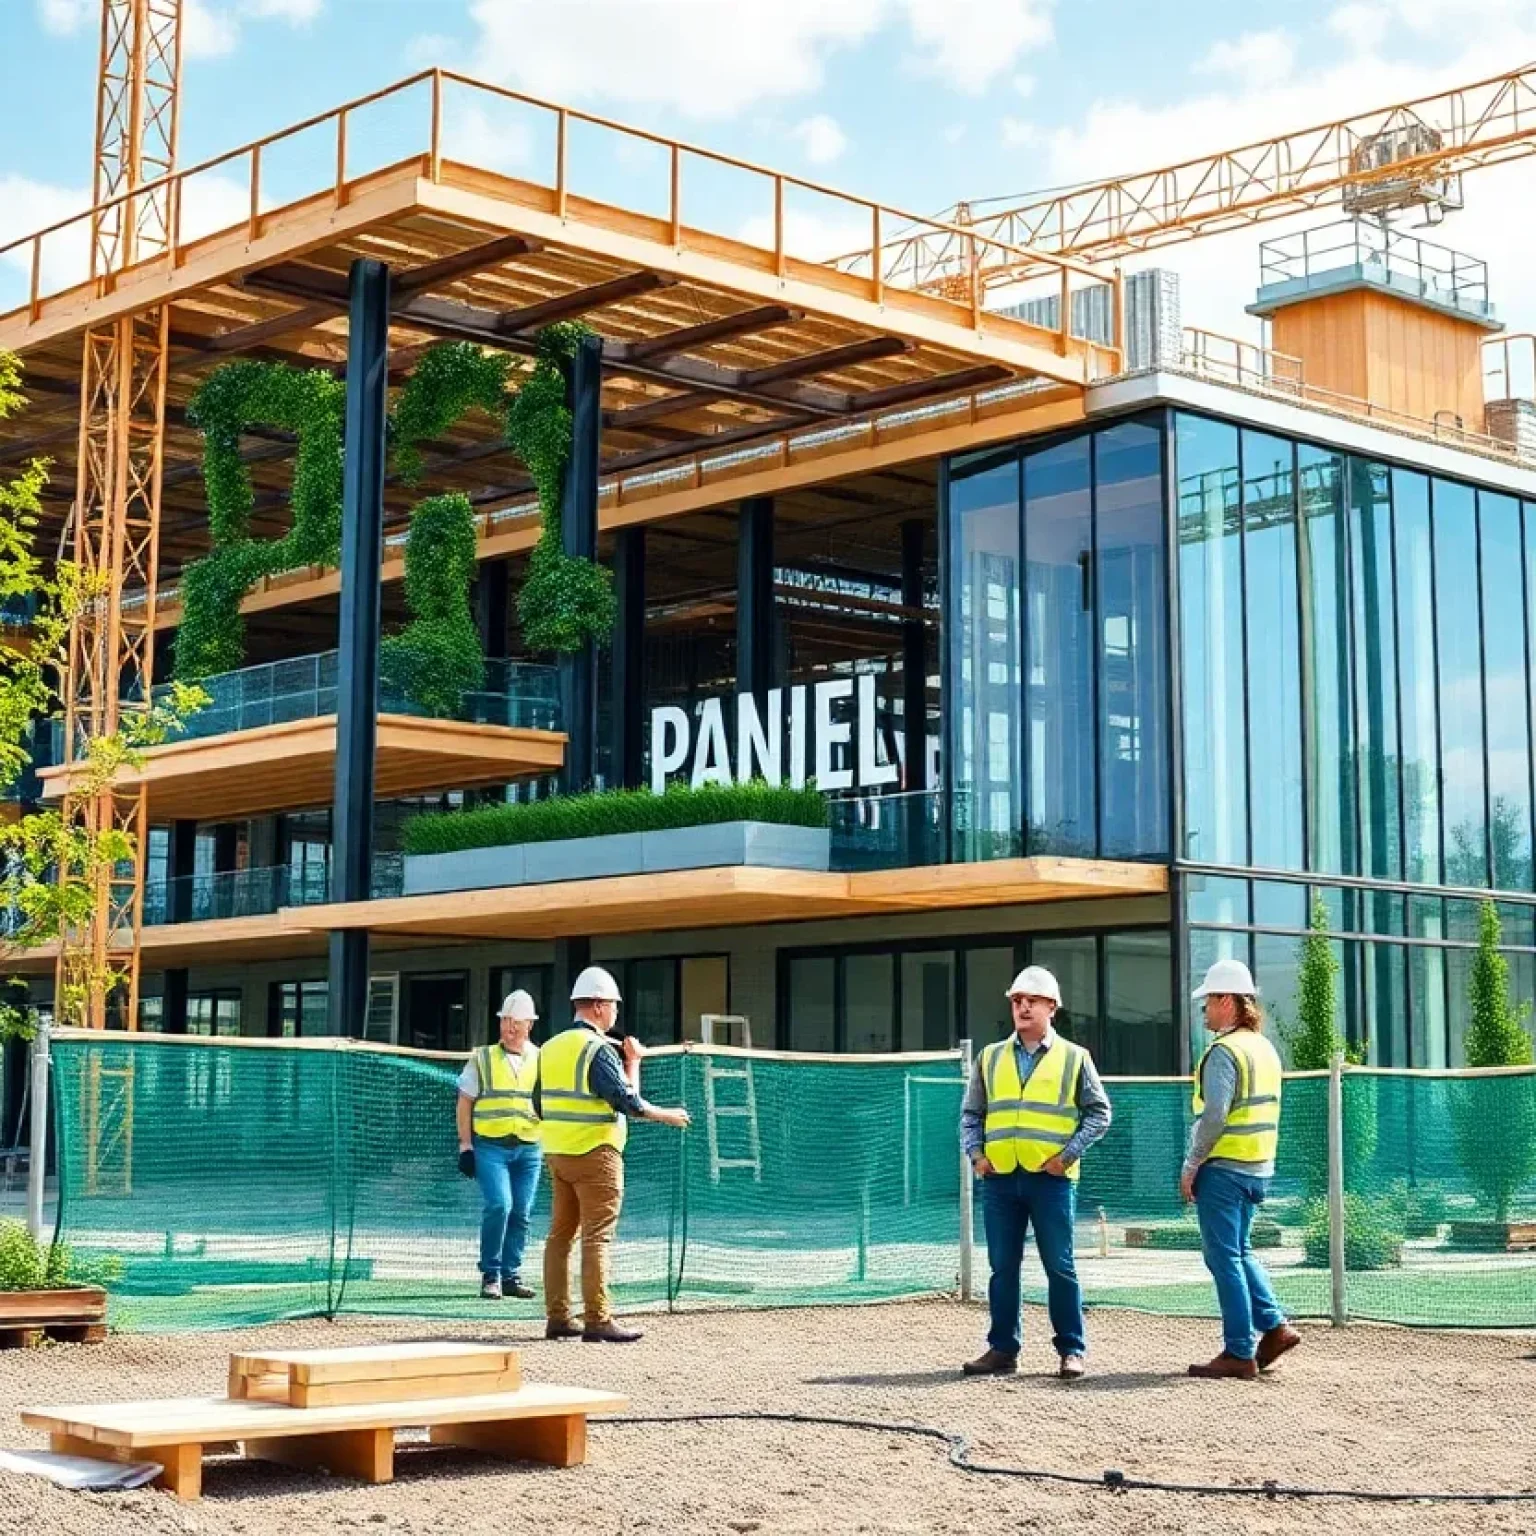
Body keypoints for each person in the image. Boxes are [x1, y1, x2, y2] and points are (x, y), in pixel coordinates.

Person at [959, 965, 1112, 1380]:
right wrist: (977, 1155)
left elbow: (1100, 1114)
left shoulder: (1075, 1058)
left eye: (1031, 1000)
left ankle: (1071, 1350)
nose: (1022, 1007)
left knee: (1059, 1267)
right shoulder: (989, 1058)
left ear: (1051, 1008)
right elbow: (971, 1114)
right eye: (1016, 1001)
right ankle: (1002, 1349)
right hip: (1001, 1179)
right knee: (1002, 1267)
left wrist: (1067, 1156)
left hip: (1052, 1181)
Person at [536, 965, 691, 1343]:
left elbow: (539, 1104)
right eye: (615, 1007)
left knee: (560, 1237)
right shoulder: (597, 1049)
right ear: (601, 1006)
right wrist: (667, 1115)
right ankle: (598, 1319)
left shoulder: (550, 1047)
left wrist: (630, 1064)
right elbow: (627, 1102)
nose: (616, 1014)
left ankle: (558, 1317)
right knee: (597, 1237)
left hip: (557, 1154)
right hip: (596, 1154)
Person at [1182, 957, 1301, 1380]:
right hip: (1258, 1168)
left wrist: (1192, 1163)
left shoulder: (1223, 1052)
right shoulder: (1264, 1049)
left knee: (1223, 1257)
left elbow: (1215, 1115)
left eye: (1209, 1002)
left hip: (1224, 1169)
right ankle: (1274, 1326)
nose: (1204, 1012)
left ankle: (1238, 1351)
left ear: (1227, 1001)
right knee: (1240, 1250)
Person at [456, 989, 543, 1301]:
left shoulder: (541, 1058)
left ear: (529, 1025)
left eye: (516, 1022)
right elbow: (465, 1103)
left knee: (521, 1211)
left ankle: (510, 1274)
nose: (509, 1027)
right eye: (505, 1020)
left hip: (529, 1148)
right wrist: (466, 1146)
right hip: (490, 1147)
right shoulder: (482, 1058)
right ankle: (490, 1273)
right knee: (499, 1205)